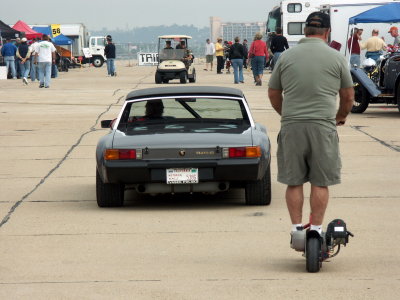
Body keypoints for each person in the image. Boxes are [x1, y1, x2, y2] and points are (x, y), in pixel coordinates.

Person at [268, 12, 354, 243]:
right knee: (320, 181)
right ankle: (315, 229)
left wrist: (286, 114)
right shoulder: (336, 58)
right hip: (323, 126)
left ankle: (297, 229)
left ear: (305, 31)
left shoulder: (286, 57)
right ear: (327, 32)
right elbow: (348, 96)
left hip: (292, 126)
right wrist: (340, 117)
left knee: (293, 181)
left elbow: (274, 93)